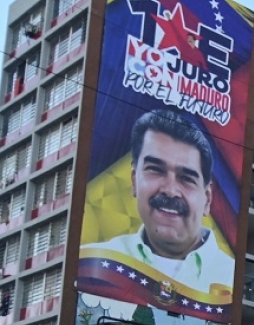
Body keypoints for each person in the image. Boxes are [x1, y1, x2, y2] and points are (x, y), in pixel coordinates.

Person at [80, 108, 234, 304]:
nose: (170, 190)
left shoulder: (233, 278)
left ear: (208, 199)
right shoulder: (91, 263)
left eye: (186, 178)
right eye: (155, 170)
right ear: (135, 181)